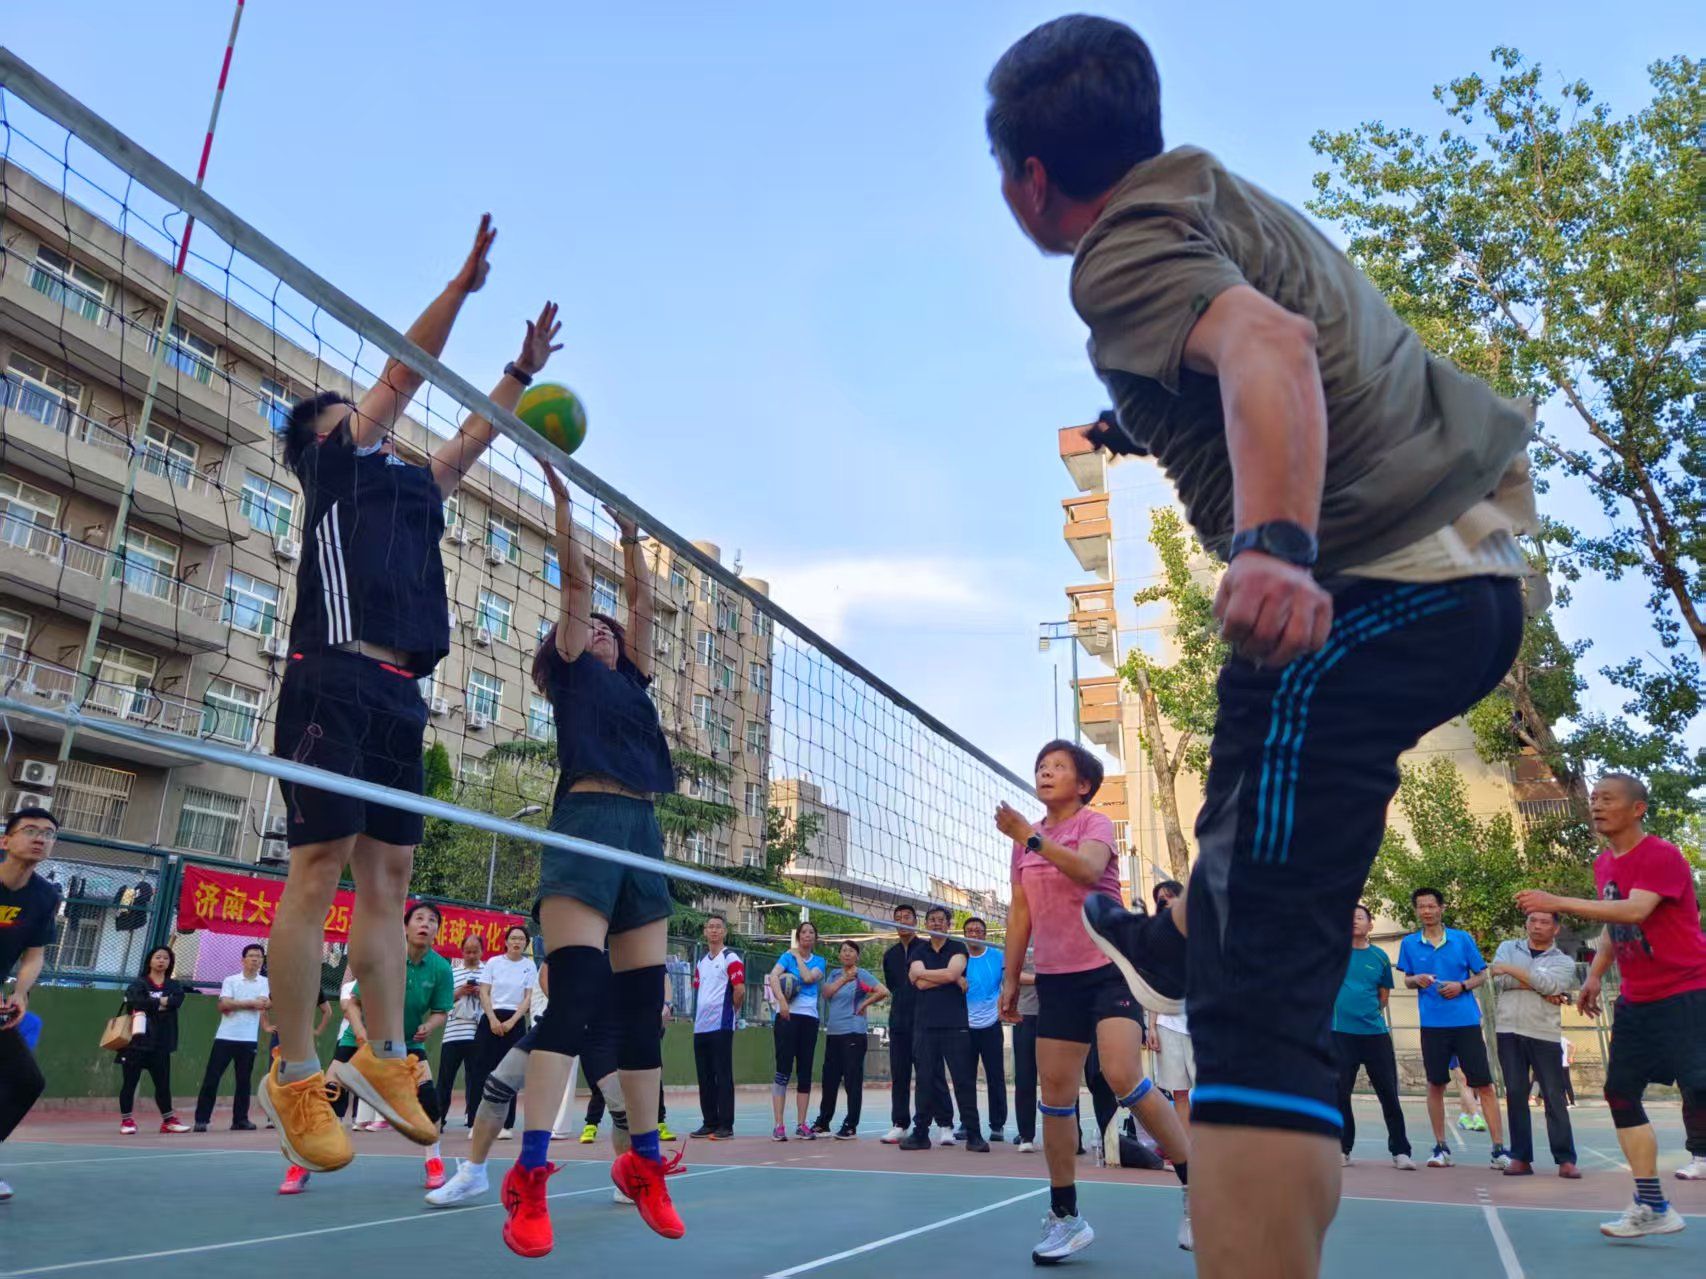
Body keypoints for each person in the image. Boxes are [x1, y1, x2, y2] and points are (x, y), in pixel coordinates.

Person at [986, 17, 1536, 1275]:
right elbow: (1284, 338)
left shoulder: (1117, 254)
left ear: (1029, 179)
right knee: (1242, 901)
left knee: (1251, 996)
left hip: (1358, 587)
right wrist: (1135, 431)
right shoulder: (1213, 197)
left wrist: (1274, 546)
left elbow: (1267, 345)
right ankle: (1192, 948)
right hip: (1458, 570)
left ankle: (1213, 989)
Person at [259, 207, 561, 1178]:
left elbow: (471, 437)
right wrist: (461, 288)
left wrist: (518, 373)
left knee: (389, 879)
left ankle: (385, 1054)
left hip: (399, 693)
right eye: (348, 412)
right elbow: (404, 371)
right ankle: (294, 1071)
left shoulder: (413, 488)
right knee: (318, 869)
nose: (369, 418)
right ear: (324, 436)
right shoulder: (335, 468)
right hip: (330, 676)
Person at [500, 460, 683, 1257]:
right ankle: (530, 1173)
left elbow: (638, 604)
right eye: (591, 626)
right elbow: (578, 586)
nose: (603, 628)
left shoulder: (633, 678)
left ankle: (643, 1160)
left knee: (641, 1012)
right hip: (586, 823)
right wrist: (563, 501)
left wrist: (633, 537)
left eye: (610, 628)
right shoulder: (574, 674)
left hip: (643, 833)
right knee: (574, 1000)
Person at [997, 741, 1191, 1263]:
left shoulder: (1094, 824)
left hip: (1109, 965)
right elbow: (1020, 912)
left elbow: (1086, 871)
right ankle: (1066, 1217)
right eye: (1041, 766)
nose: (1046, 772)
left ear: (1083, 784)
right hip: (1056, 977)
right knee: (1055, 1096)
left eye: (1058, 766)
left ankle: (1196, 1186)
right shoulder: (1025, 841)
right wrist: (1011, 979)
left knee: (1122, 1074)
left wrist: (1029, 836)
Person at [1516, 773, 1705, 1238]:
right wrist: (1596, 974)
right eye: (1594, 798)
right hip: (1638, 999)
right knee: (1620, 1093)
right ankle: (1653, 1205)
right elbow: (1614, 924)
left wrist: (1557, 901)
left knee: (1699, 1089)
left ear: (1637, 809)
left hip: (1687, 990)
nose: (1597, 805)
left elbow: (1636, 910)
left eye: (1608, 799)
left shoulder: (1660, 855)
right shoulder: (1604, 864)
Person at [1396, 889, 1509, 1169]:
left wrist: (1462, 986)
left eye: (1431, 906)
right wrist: (1417, 979)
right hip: (1432, 1025)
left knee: (1484, 1084)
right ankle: (1441, 1148)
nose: (1426, 911)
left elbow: (1482, 974)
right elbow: (1407, 980)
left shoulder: (1462, 938)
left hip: (1466, 1022)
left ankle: (1498, 1150)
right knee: (1435, 1084)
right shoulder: (1410, 943)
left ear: (1442, 908)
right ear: (1416, 910)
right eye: (1421, 906)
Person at [0, 808, 62, 1201]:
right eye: (31, 830)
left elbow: (34, 955)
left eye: (49, 833)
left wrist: (20, 993)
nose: (40, 838)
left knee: (26, 1081)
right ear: (5, 840)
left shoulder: (45, 897)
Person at [1488, 909, 1579, 1178]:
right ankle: (1520, 1158)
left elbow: (1553, 985)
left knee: (1553, 1095)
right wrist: (1542, 986)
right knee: (1516, 1094)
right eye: (1533, 921)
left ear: (1556, 929)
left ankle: (1565, 1159)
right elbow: (1499, 978)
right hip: (1508, 1030)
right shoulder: (1507, 947)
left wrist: (1513, 970)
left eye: (1544, 922)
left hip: (1544, 1032)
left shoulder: (1563, 961)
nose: (1537, 926)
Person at [897, 904, 988, 1157]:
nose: (936, 923)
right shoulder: (918, 950)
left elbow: (942, 975)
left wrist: (943, 975)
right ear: (926, 924)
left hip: (955, 1025)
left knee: (963, 1082)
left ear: (948, 925)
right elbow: (918, 982)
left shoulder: (958, 948)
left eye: (941, 920)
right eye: (932, 920)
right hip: (925, 1026)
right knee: (924, 1081)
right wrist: (950, 977)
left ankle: (974, 1135)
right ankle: (920, 1134)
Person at [1332, 904, 1413, 1170]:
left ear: (1370, 925)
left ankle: (1401, 1151)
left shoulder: (1379, 957)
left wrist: (1367, 1015)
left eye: (1359, 917)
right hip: (1340, 1034)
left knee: (1388, 1093)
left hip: (1375, 1035)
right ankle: (1342, 1149)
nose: (1354, 921)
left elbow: (1383, 997)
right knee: (1340, 1094)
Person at [879, 904, 951, 1144]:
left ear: (916, 921)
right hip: (899, 1022)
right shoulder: (890, 955)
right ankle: (900, 1124)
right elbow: (894, 987)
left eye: (907, 917)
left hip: (926, 1020)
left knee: (932, 1073)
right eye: (898, 918)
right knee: (900, 1074)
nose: (902, 921)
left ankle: (945, 1124)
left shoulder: (927, 949)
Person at [814, 941, 887, 1139]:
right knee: (829, 1080)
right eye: (844, 951)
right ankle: (823, 1122)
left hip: (853, 1032)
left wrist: (865, 1003)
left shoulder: (861, 974)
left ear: (857, 956)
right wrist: (845, 979)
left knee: (852, 1081)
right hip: (834, 1033)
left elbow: (883, 991)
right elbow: (826, 993)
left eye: (851, 951)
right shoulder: (835, 975)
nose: (847, 954)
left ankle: (850, 1125)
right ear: (839, 955)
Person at [193, 943, 269, 1131]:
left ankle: (240, 1120)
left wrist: (236, 1003)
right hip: (225, 1037)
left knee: (244, 1081)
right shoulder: (231, 980)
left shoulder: (265, 982)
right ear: (243, 960)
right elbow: (224, 1005)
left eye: (259, 956)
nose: (255, 959)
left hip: (249, 1039)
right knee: (212, 1078)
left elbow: (264, 1004)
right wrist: (250, 1003)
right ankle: (202, 1120)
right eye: (251, 956)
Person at [116, 947, 189, 1135]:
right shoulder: (139, 984)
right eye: (158, 957)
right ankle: (127, 1121)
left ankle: (168, 1121)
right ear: (150, 960)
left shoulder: (173, 985)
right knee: (130, 1083)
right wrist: (162, 1002)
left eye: (166, 958)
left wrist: (151, 1003)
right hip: (137, 1042)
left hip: (161, 1043)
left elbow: (177, 1001)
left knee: (163, 1085)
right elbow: (136, 1003)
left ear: (170, 962)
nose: (161, 961)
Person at [471, 925, 537, 1134]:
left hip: (514, 1022)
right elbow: (484, 992)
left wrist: (512, 1021)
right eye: (513, 938)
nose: (517, 942)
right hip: (490, 1019)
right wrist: (492, 1018)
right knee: (481, 1071)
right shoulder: (493, 962)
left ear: (526, 943)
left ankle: (506, 1124)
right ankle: (475, 1122)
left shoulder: (530, 966)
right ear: (506, 942)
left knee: (510, 1074)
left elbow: (528, 997)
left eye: (521, 939)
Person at [767, 921, 827, 1141]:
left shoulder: (819, 961)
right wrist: (781, 1000)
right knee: (782, 1070)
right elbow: (773, 976)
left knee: (805, 1071)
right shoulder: (786, 957)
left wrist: (798, 957)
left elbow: (809, 978)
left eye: (811, 932)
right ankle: (778, 1125)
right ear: (798, 936)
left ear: (815, 938)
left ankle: (802, 1125)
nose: (807, 935)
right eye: (804, 932)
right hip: (787, 1018)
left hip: (809, 1019)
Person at [690, 914, 744, 1139]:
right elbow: (698, 990)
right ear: (705, 931)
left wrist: (732, 1012)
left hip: (721, 1025)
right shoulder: (701, 962)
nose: (713, 930)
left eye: (718, 927)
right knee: (704, 1077)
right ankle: (709, 1122)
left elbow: (739, 990)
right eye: (710, 927)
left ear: (724, 932)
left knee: (722, 1075)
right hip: (700, 1027)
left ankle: (726, 1125)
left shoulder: (731, 958)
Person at [1146, 882, 1193, 1138]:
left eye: (1170, 896)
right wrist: (1152, 1026)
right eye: (1160, 899)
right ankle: (1187, 1149)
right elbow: (1154, 986)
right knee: (1179, 1093)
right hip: (1167, 1024)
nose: (1165, 902)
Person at [962, 917, 1008, 1142]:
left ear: (984, 934)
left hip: (991, 1024)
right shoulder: (958, 958)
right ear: (964, 935)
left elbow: (1010, 981)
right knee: (965, 1078)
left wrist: (1005, 1004)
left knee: (995, 1076)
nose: (974, 934)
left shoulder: (997, 956)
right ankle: (966, 1123)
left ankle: (997, 1125)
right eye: (969, 931)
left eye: (978, 931)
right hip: (965, 1026)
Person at [438, 933, 486, 1129]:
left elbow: (495, 1001)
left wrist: (481, 993)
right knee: (445, 1079)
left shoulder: (488, 973)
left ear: (482, 952)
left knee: (476, 1079)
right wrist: (458, 993)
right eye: (468, 951)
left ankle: (473, 1119)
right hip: (453, 1033)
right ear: (462, 952)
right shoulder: (451, 973)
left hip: (478, 1034)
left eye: (475, 951)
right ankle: (439, 1118)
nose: (471, 955)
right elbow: (441, 1001)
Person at [1012, 951, 1041, 1153]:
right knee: (1024, 1077)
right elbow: (1014, 975)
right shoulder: (1021, 941)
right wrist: (1042, 979)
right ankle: (1026, 1135)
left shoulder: (1058, 939)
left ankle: (1072, 1136)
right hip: (1025, 1014)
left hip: (1055, 1014)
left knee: (1059, 1078)